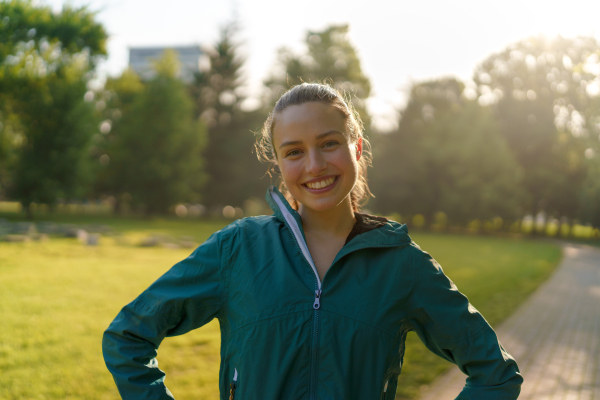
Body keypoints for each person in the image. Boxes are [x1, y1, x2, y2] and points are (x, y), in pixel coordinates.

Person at [102, 83, 523, 399]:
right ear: (279, 163)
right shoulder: (237, 250)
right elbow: (127, 337)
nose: (315, 165)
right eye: (294, 151)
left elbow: (495, 373)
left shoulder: (403, 264)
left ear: (356, 148)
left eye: (329, 144)